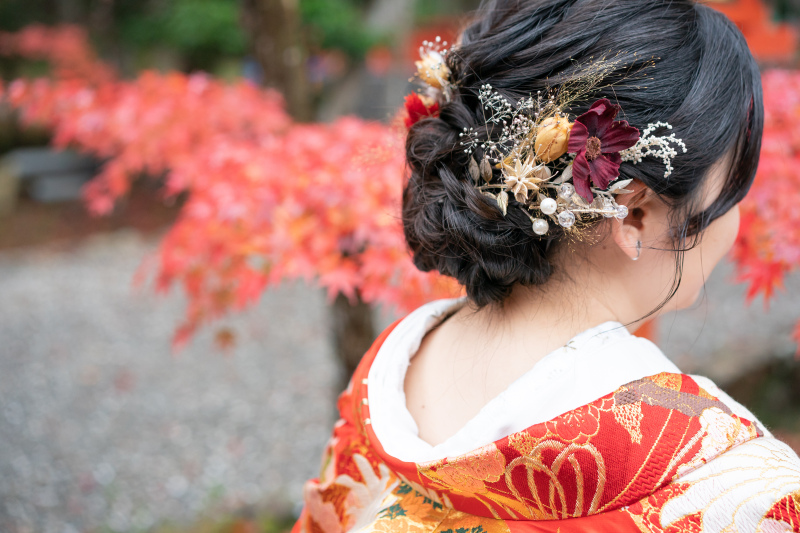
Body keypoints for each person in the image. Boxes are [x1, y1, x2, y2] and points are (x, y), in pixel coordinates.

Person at [293, 0, 800, 531]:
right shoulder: (731, 486)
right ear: (634, 213)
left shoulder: (384, 387)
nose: (737, 217)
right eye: (732, 188)